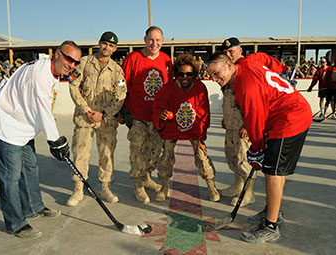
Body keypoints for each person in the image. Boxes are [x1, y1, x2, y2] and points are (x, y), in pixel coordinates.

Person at [206, 52, 312, 244]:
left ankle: (271, 226)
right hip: (282, 117)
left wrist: (257, 149)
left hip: (290, 118)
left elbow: (255, 123)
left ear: (229, 66)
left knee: (273, 172)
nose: (214, 79)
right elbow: (263, 57)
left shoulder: (248, 88)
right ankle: (274, 209)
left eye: (216, 73)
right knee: (274, 170)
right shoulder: (246, 61)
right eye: (211, 75)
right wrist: (281, 70)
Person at [0, 41, 81, 239]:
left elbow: (42, 109)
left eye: (76, 62)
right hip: (7, 127)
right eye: (69, 58)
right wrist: (56, 140)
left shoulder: (51, 71)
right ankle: (15, 223)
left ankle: (33, 207)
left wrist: (55, 139)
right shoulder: (40, 75)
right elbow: (42, 110)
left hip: (24, 128)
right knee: (11, 177)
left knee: (30, 169)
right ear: (57, 55)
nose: (72, 65)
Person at [219, 37, 288, 207]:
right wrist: (226, 118)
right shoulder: (227, 69)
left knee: (245, 160)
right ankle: (238, 185)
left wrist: (247, 126)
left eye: (231, 51)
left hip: (245, 126)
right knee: (233, 157)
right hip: (231, 124)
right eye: (226, 52)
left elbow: (254, 102)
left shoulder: (248, 66)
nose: (229, 54)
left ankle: (249, 194)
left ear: (240, 50)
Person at [67, 32, 127, 206]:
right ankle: (78, 189)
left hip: (105, 120)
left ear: (115, 49)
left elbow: (121, 94)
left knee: (107, 154)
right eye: (105, 44)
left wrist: (105, 114)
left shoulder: (117, 70)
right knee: (80, 154)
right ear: (99, 43)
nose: (107, 47)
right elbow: (73, 85)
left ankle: (106, 188)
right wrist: (86, 110)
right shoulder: (84, 63)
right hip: (84, 118)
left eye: (111, 46)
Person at [152, 53, 220, 201]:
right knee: (166, 157)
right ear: (176, 74)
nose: (185, 77)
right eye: (181, 74)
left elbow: (204, 113)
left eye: (189, 74)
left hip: (193, 128)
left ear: (194, 74)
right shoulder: (168, 88)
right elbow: (159, 105)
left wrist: (202, 137)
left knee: (202, 157)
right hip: (172, 127)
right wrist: (162, 114)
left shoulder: (200, 87)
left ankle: (211, 185)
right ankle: (164, 186)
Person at [121, 26, 173, 203]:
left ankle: (147, 177)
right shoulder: (133, 58)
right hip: (138, 116)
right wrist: (122, 111)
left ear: (163, 41)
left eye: (158, 40)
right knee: (137, 152)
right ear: (145, 40)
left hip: (157, 118)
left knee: (154, 152)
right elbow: (122, 87)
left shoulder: (166, 60)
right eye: (151, 39)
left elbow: (170, 88)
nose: (154, 43)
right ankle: (138, 185)